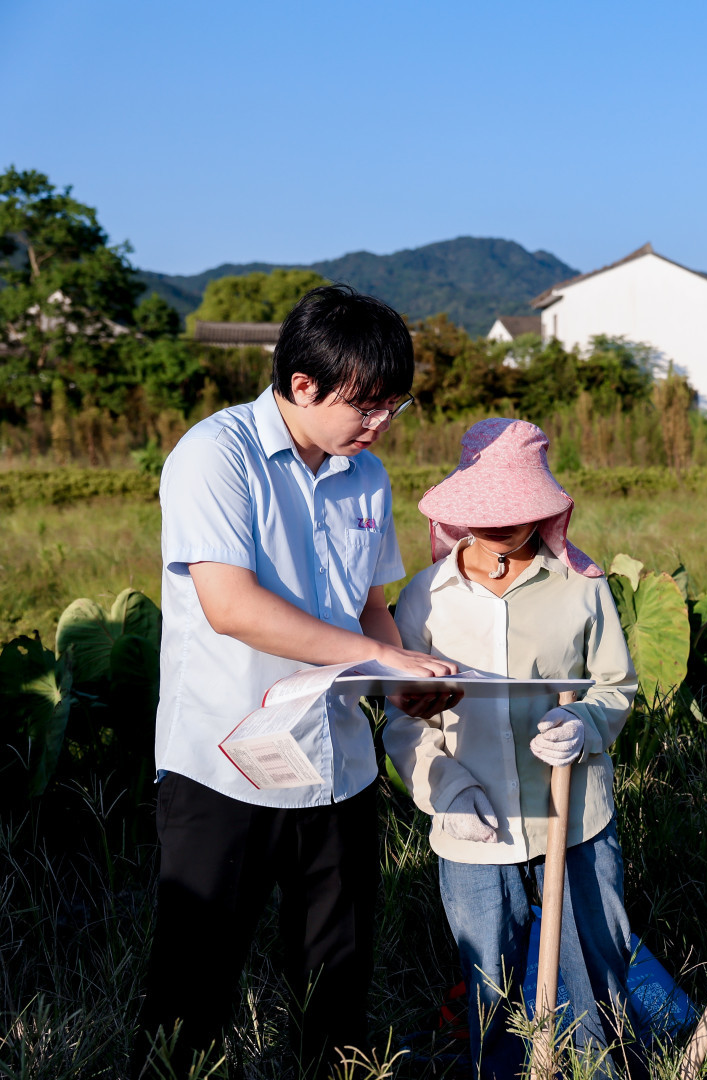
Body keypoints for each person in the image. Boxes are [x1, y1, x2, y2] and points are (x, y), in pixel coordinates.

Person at [138, 285, 455, 1076]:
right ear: (302, 385)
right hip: (225, 764)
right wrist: (377, 660)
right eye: (367, 406)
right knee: (193, 989)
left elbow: (368, 610)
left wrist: (395, 678)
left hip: (338, 765)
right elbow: (233, 606)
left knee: (336, 986)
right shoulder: (216, 455)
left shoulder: (366, 476)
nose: (380, 424)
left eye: (394, 406)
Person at [383, 418, 641, 1080]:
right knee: (490, 992)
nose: (503, 525)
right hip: (475, 832)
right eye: (488, 513)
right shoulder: (425, 599)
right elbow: (403, 721)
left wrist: (586, 723)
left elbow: (616, 687)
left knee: (594, 982)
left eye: (519, 511)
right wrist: (444, 787)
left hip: (574, 819)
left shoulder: (582, 586)